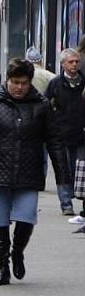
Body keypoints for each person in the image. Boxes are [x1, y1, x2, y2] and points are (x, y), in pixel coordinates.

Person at [0, 59, 68, 286]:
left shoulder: (41, 104)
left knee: (26, 217)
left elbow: (54, 140)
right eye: (15, 82)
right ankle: (2, 266)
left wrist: (61, 174)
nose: (19, 87)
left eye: (24, 83)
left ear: (30, 83)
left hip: (29, 169)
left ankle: (17, 251)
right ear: (7, 80)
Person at [44, 48, 85, 216]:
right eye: (71, 62)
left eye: (76, 61)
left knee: (80, 170)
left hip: (81, 133)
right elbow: (46, 105)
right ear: (63, 64)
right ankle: (66, 203)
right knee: (63, 168)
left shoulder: (83, 82)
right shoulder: (55, 84)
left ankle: (79, 199)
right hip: (61, 133)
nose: (74, 65)